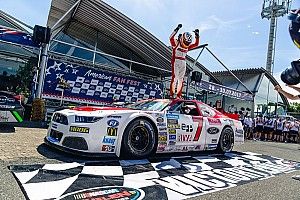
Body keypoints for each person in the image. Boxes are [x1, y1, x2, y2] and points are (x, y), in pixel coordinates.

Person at [169, 24, 200, 98]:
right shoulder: (176, 43)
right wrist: (177, 28)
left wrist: (197, 36)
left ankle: (178, 95)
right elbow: (171, 37)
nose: (186, 44)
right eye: (185, 41)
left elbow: (196, 44)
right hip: (176, 61)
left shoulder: (188, 46)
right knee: (175, 77)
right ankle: (172, 94)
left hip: (183, 61)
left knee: (181, 79)